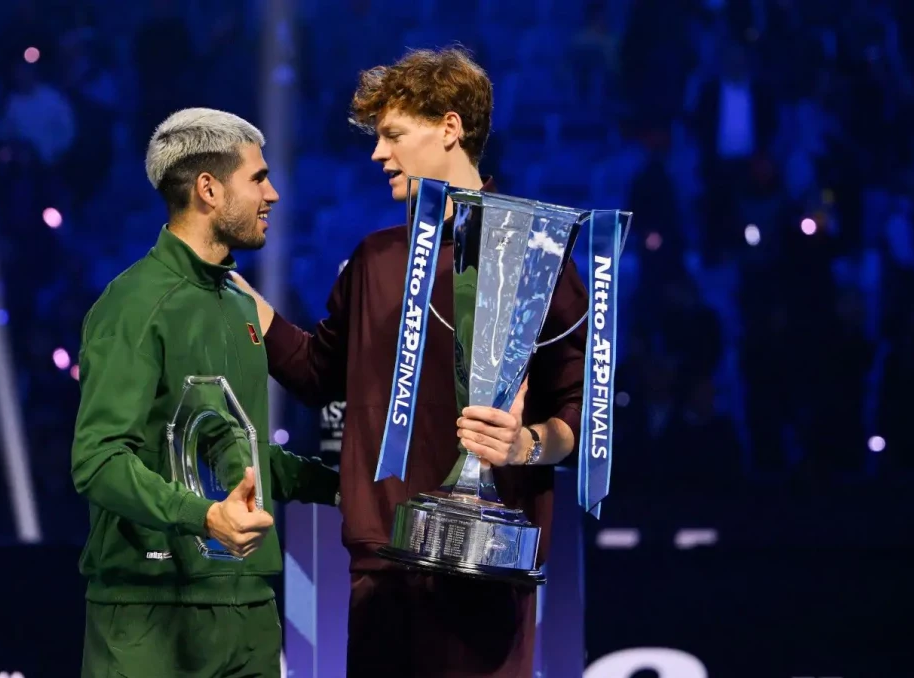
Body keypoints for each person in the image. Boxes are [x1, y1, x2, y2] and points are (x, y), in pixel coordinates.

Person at [232, 48, 590, 677]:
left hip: (485, 568)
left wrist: (526, 444)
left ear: (450, 128)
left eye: (393, 135)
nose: (378, 154)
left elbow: (581, 416)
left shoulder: (535, 255)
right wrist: (237, 295)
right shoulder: (374, 260)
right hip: (382, 566)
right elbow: (316, 373)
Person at [71, 107, 340, 678]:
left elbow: (242, 455)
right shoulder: (134, 305)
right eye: (258, 178)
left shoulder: (241, 306)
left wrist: (346, 487)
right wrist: (205, 517)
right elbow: (98, 461)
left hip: (248, 609)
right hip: (149, 612)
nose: (272, 194)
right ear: (209, 189)